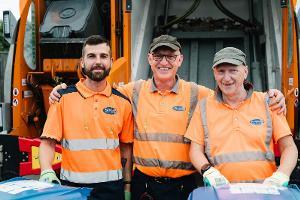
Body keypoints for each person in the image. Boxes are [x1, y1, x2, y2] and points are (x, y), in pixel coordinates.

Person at [49, 35, 287, 200]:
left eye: (170, 56)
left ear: (180, 60)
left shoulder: (198, 94)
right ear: (150, 59)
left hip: (183, 186)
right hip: (145, 185)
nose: (164, 62)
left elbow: (234, 93)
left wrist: (272, 96)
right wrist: (61, 90)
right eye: (158, 56)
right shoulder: (132, 91)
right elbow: (98, 89)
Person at [185, 47, 298, 187]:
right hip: (222, 192)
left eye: (233, 70)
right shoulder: (203, 107)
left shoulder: (269, 102)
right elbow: (195, 150)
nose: (226, 78)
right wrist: (208, 171)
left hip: (265, 191)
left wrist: (281, 175)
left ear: (245, 71)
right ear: (214, 73)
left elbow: (289, 148)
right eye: (221, 71)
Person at [39, 35, 133, 200]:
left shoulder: (123, 102)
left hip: (112, 190)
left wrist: (127, 186)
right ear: (82, 62)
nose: (98, 61)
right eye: (91, 56)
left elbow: (125, 148)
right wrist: (46, 170)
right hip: (72, 188)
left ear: (111, 61)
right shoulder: (62, 98)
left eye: (103, 56)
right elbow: (48, 142)